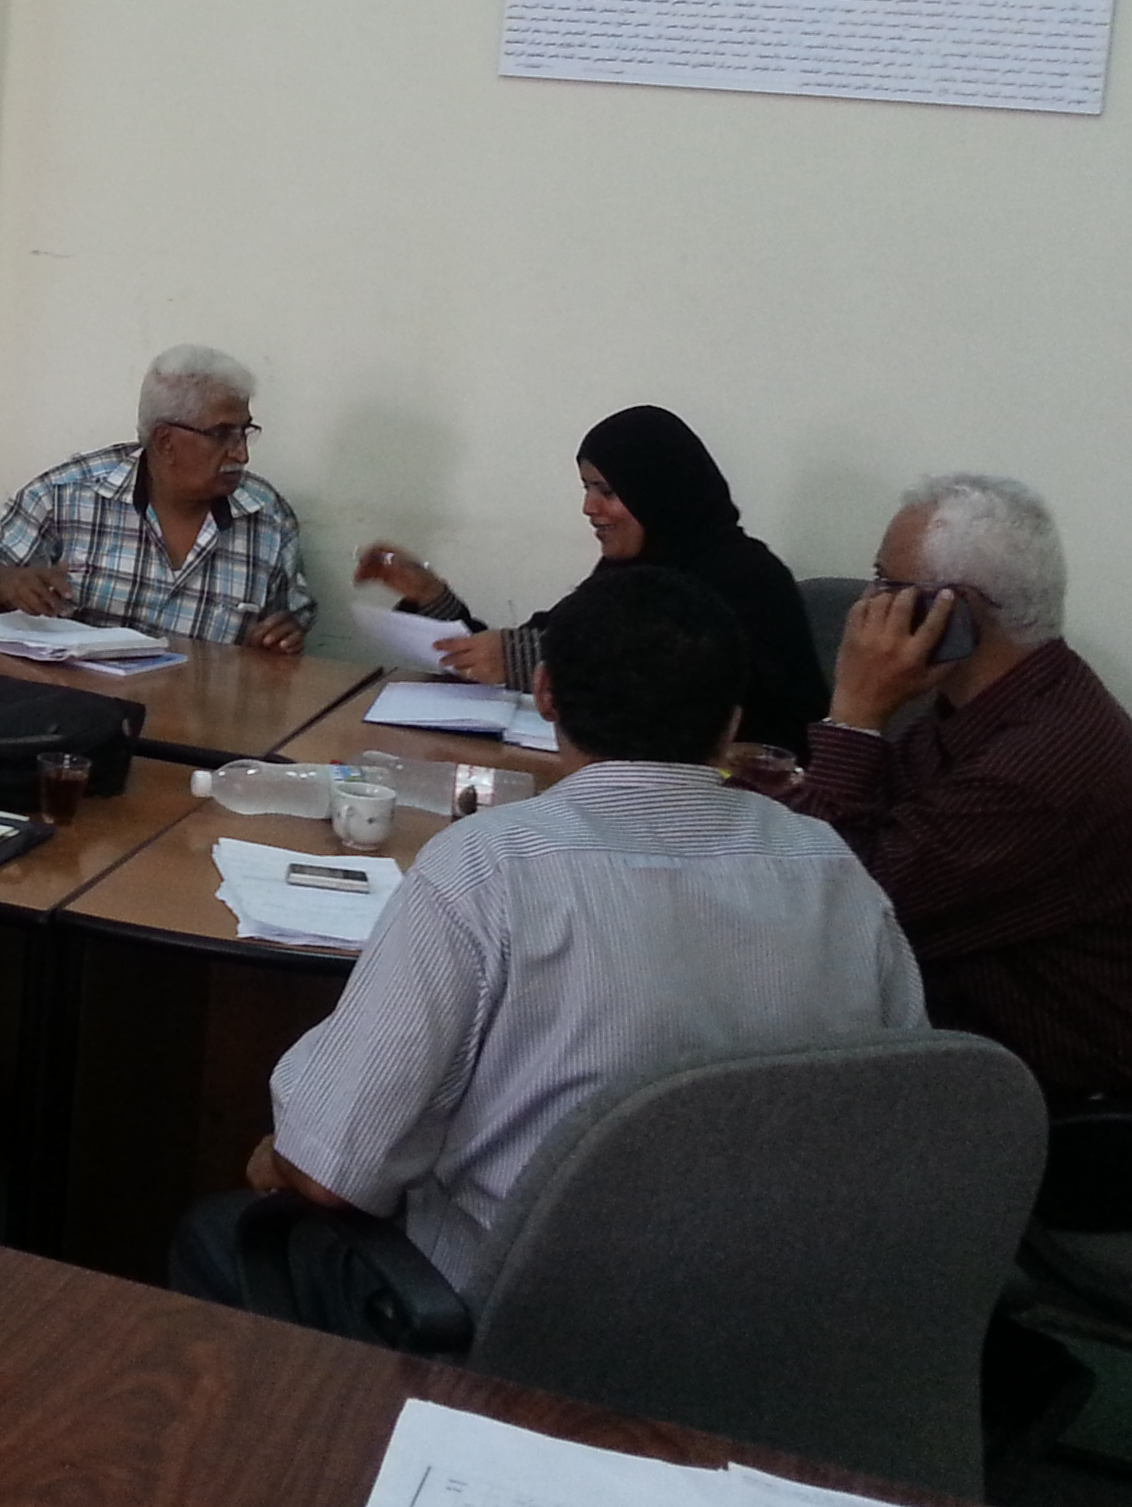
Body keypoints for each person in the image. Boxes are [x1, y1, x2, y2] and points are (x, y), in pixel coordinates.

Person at [169, 565, 923, 1333]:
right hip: (779, 1327)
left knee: (222, 1234)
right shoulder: (833, 869)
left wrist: (282, 1152)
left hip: (523, 1325)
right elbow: (903, 1125)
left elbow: (330, 1173)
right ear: (732, 726)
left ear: (546, 694)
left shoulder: (489, 866)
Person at [790, 474, 1132, 1230]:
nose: (864, 610)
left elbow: (833, 910)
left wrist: (853, 714)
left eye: (885, 585)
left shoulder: (1039, 765)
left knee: (752, 1138)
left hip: (1087, 1137)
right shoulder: (1007, 704)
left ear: (950, 612)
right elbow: (872, 825)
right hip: (1007, 1076)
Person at [356, 404, 825, 756]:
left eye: (608, 491)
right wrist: (431, 597)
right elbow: (526, 648)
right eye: (587, 488)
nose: (589, 508)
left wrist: (529, 659)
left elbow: (683, 694)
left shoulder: (746, 578)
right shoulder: (627, 573)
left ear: (660, 493)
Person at [0, 346, 315, 651]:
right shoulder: (69, 494)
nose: (241, 454)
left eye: (244, 432)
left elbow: (289, 628)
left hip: (199, 711)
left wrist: (283, 636)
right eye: (222, 434)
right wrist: (6, 582)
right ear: (165, 441)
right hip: (74, 707)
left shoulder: (267, 517)